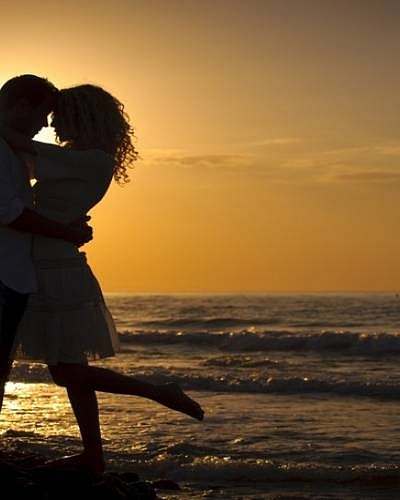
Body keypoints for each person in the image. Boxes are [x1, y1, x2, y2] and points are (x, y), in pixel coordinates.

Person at [10, 84, 204, 475]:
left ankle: (156, 392)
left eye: (59, 115)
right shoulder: (74, 158)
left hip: (57, 270)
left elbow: (17, 144)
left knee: (67, 371)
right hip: (49, 262)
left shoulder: (90, 161)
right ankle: (93, 455)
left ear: (79, 117)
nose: (51, 124)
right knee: (70, 371)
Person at [0, 74, 93, 413]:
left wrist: (64, 222)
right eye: (43, 114)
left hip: (15, 275)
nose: (46, 124)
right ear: (22, 107)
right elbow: (8, 212)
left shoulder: (13, 151)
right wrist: (65, 233)